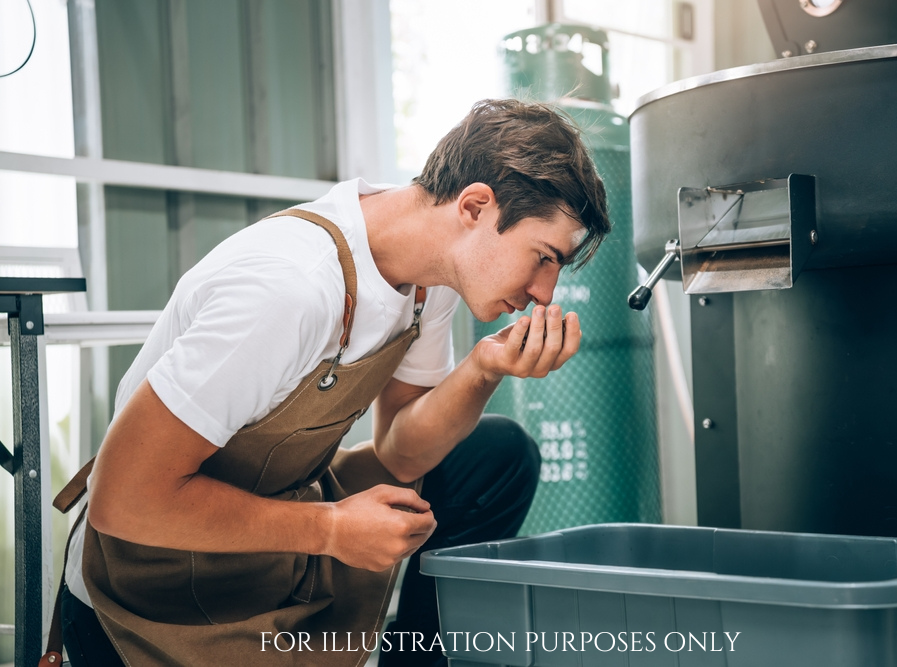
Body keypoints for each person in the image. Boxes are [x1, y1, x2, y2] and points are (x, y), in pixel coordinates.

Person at [52, 98, 610, 667]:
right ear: (474, 206)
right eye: (543, 257)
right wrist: (331, 529)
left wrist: (483, 369)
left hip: (281, 507)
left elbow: (399, 452)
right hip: (150, 581)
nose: (546, 292)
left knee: (497, 454)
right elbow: (125, 500)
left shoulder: (430, 279)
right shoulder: (288, 289)